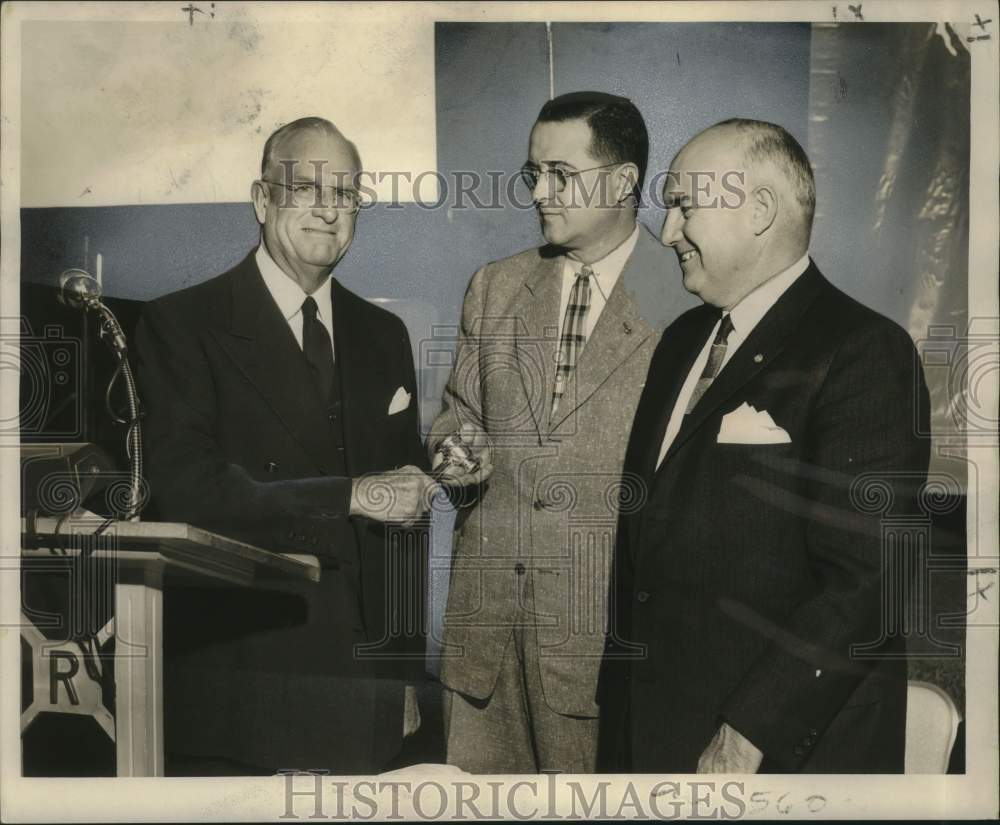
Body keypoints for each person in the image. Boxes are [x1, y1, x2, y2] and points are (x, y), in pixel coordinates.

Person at [597, 118, 930, 773]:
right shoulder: (679, 343)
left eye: (684, 206)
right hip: (656, 740)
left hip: (771, 756)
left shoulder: (864, 350)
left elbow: (870, 581)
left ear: (760, 210)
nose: (666, 234)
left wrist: (748, 731)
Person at [135, 117, 434, 775]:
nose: (330, 212)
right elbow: (186, 491)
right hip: (246, 688)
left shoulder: (383, 333)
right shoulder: (181, 323)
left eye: (348, 194)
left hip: (366, 693)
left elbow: (405, 532)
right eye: (307, 188)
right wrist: (350, 496)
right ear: (262, 199)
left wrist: (405, 677)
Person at [428, 91, 697, 773]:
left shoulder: (688, 298)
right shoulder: (493, 286)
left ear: (622, 181)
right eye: (532, 174)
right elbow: (458, 409)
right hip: (482, 645)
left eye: (559, 174)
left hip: (604, 650)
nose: (539, 192)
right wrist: (453, 445)